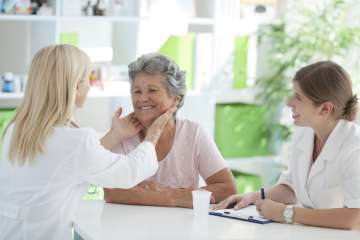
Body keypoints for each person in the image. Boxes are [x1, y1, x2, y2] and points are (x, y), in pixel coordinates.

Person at [0, 45, 175, 239]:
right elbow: (129, 172)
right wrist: (154, 132)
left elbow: (71, 162)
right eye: (87, 79)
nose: (89, 86)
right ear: (75, 86)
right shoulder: (74, 139)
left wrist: (115, 135)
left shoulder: (16, 127)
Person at [214, 61, 360, 230]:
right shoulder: (305, 133)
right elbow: (292, 188)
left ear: (325, 109)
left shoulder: (354, 148)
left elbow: (355, 217)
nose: (289, 102)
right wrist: (253, 196)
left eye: (298, 97)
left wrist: (286, 213)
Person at [104, 53, 236, 208]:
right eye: (137, 91)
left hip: (182, 229)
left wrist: (163, 195)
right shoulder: (124, 133)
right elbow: (112, 191)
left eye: (152, 90)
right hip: (131, 228)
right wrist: (170, 199)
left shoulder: (192, 133)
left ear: (176, 98)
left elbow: (227, 188)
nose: (142, 98)